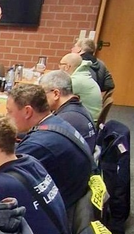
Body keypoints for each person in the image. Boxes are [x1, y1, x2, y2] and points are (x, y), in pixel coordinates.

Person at [7, 84, 94, 214]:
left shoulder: (38, 144)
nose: (6, 117)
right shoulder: (57, 122)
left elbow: (7, 178)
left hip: (60, 211)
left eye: (9, 112)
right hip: (74, 196)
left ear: (27, 112)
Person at [40, 70, 98, 153]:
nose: (41, 98)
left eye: (42, 94)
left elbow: (42, 147)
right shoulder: (78, 109)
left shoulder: (65, 120)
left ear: (56, 94)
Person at [58, 53, 102, 122]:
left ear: (67, 67)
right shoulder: (82, 75)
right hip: (88, 116)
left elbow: (56, 94)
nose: (59, 67)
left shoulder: (76, 80)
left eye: (60, 64)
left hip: (87, 120)